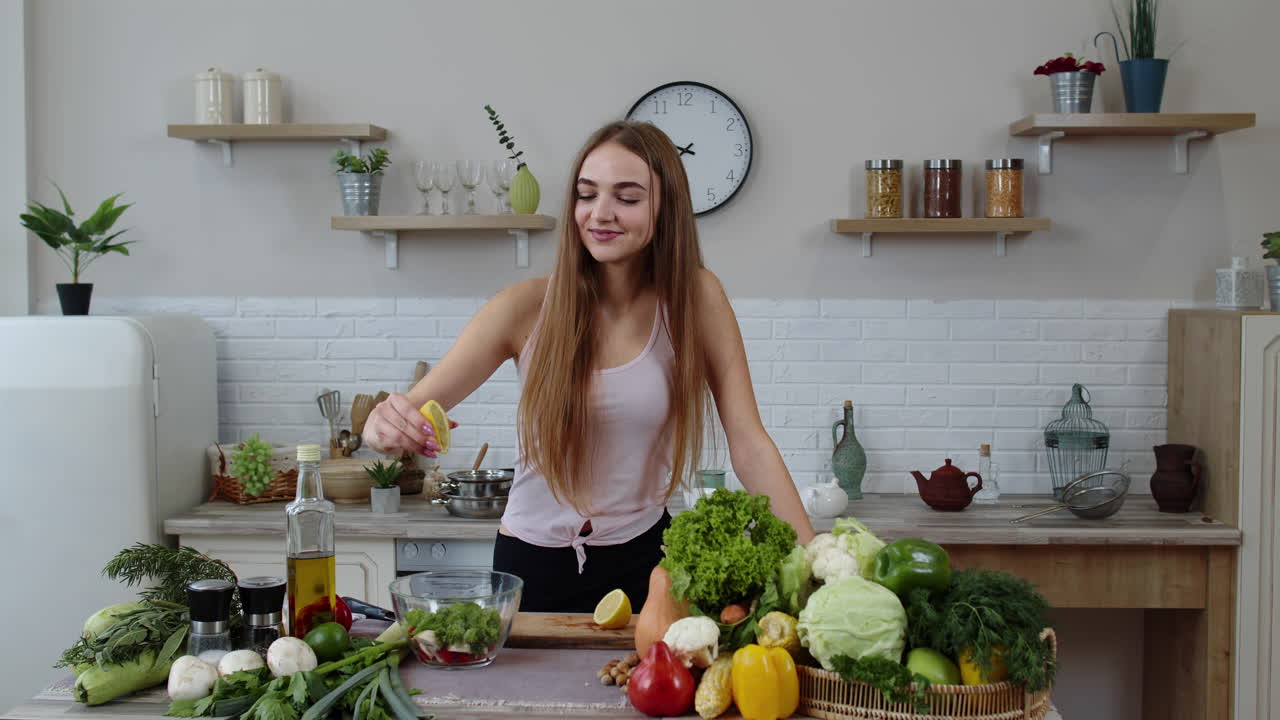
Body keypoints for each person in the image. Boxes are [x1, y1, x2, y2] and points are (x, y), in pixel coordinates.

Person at [362, 120, 817, 612]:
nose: (600, 214)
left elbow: (749, 444)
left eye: (627, 197)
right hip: (531, 566)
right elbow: (404, 411)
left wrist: (818, 565)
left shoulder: (696, 299)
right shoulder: (524, 307)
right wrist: (382, 426)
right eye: (586, 194)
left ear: (665, 209)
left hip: (649, 565)